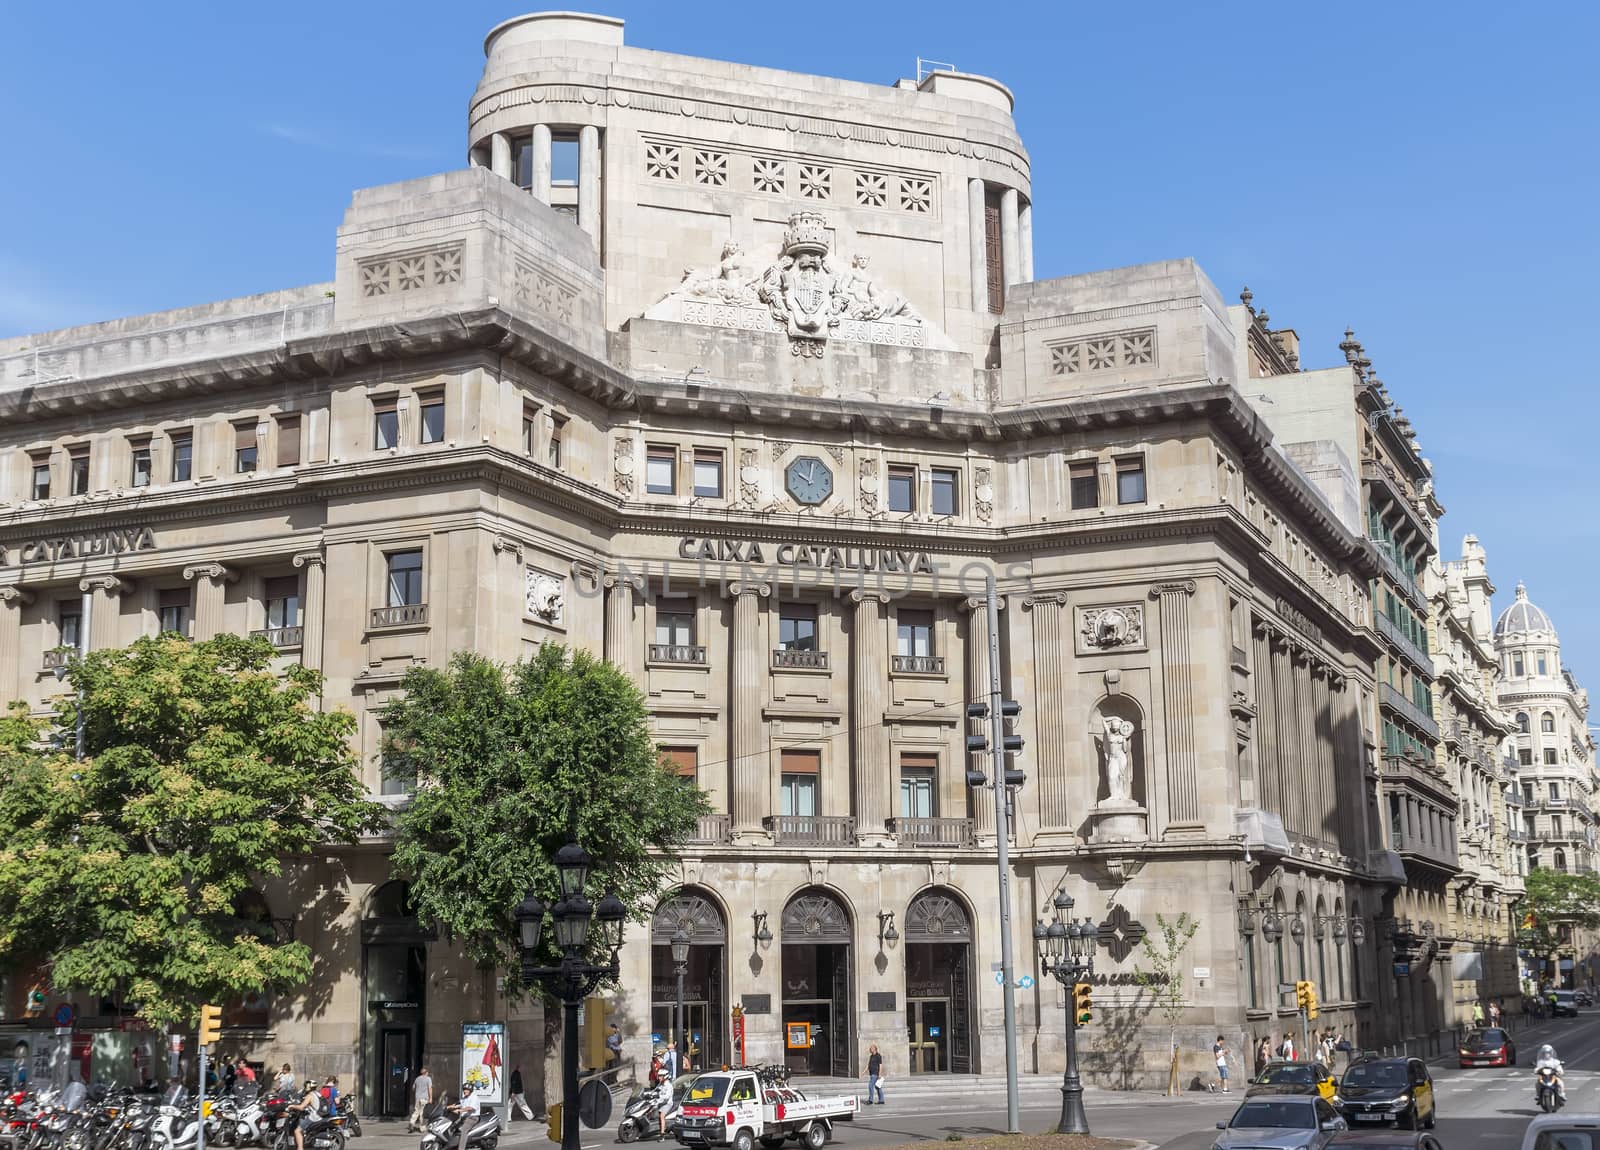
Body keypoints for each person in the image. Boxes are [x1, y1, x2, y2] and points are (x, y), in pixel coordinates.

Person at [287, 1078, 324, 1150]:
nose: (305, 1088)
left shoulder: (309, 1095)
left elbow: (301, 1107)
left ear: (309, 1087)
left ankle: (300, 1148)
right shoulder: (318, 1094)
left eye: (306, 1086)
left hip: (314, 1117)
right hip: (320, 1116)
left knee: (297, 1131)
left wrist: (292, 1106)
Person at [646, 1069, 674, 1138]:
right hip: (660, 1102)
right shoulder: (661, 1084)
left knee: (661, 1116)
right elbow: (655, 1091)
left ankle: (662, 1133)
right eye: (659, 1076)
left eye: (661, 1076)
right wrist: (647, 1093)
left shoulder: (668, 1085)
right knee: (650, 1111)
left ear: (665, 1076)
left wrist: (658, 1096)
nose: (659, 1077)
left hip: (667, 1103)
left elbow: (667, 1096)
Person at [408, 1065, 433, 1133]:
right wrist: (430, 1098)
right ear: (426, 1072)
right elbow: (429, 1088)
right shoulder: (428, 1079)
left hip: (417, 1098)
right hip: (424, 1098)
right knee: (422, 1113)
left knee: (416, 1111)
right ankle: (422, 1128)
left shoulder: (417, 1079)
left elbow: (413, 1088)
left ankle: (412, 1122)